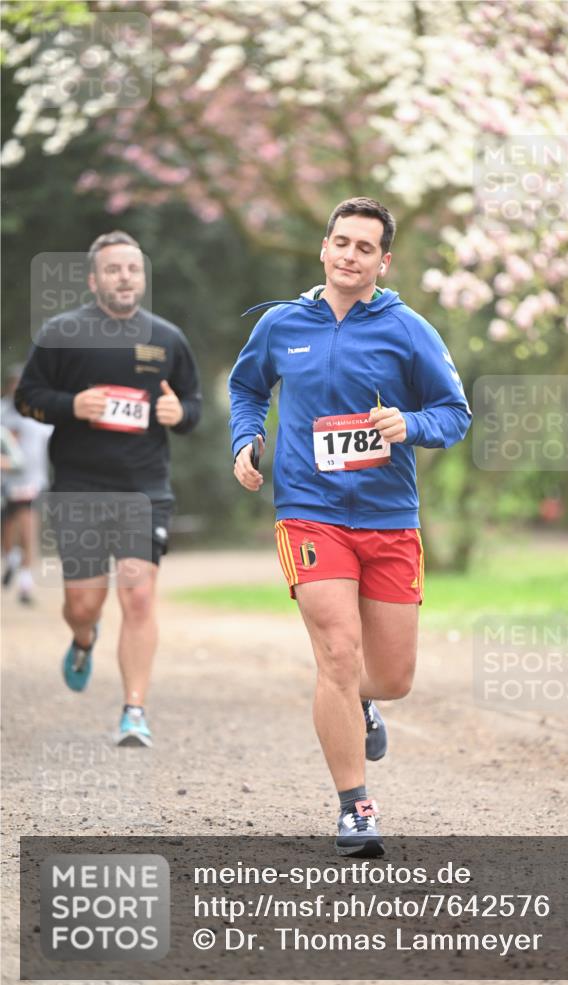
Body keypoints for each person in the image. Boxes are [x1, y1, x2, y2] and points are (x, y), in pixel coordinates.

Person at [229, 197, 471, 856]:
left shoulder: (407, 329)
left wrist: (409, 425)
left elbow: (454, 412)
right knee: (337, 653)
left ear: (382, 261)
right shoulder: (281, 324)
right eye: (341, 242)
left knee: (389, 676)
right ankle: (354, 808)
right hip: (308, 510)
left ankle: (364, 703)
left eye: (364, 248)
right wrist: (246, 440)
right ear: (323, 247)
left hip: (388, 517)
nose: (349, 255)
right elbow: (248, 387)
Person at [15, 231, 202, 747]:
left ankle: (134, 711)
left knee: (138, 596)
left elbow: (192, 406)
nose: (125, 277)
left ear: (143, 277)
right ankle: (82, 639)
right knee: (84, 605)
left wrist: (178, 413)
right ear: (94, 278)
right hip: (80, 487)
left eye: (133, 269)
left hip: (145, 488)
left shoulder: (167, 338)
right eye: (114, 269)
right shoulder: (62, 332)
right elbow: (29, 398)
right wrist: (71, 405)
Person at [1, 364, 52, 604]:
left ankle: (25, 586)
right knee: (8, 532)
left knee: (29, 530)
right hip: (6, 483)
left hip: (33, 481)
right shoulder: (2, 413)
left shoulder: (39, 412)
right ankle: (10, 558)